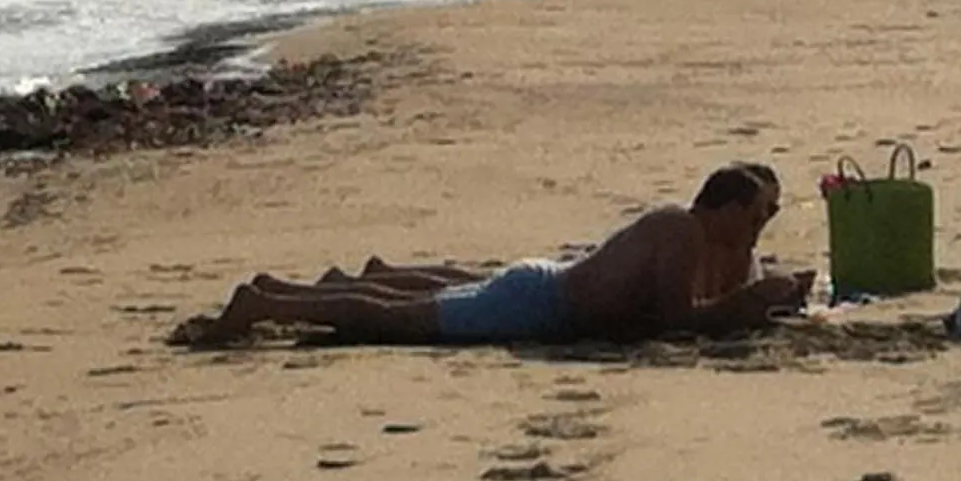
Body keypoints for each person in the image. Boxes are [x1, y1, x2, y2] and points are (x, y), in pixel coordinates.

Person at [174, 162, 809, 347]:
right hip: (538, 304)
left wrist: (773, 300)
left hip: (545, 298)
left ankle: (281, 292)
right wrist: (752, 303)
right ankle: (264, 304)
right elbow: (675, 320)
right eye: (758, 214)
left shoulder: (721, 247)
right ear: (726, 209)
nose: (763, 227)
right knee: (395, 321)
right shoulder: (680, 231)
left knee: (408, 304)